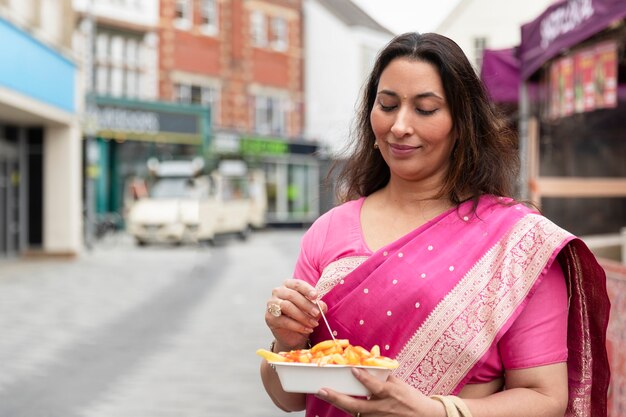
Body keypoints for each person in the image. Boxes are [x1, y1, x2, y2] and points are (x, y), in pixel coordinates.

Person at [260, 32, 610, 417]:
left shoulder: (517, 242)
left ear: (461, 124)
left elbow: (545, 397)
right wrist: (284, 341)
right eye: (387, 105)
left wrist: (435, 412)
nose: (399, 126)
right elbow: (289, 397)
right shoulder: (329, 230)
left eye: (425, 109)